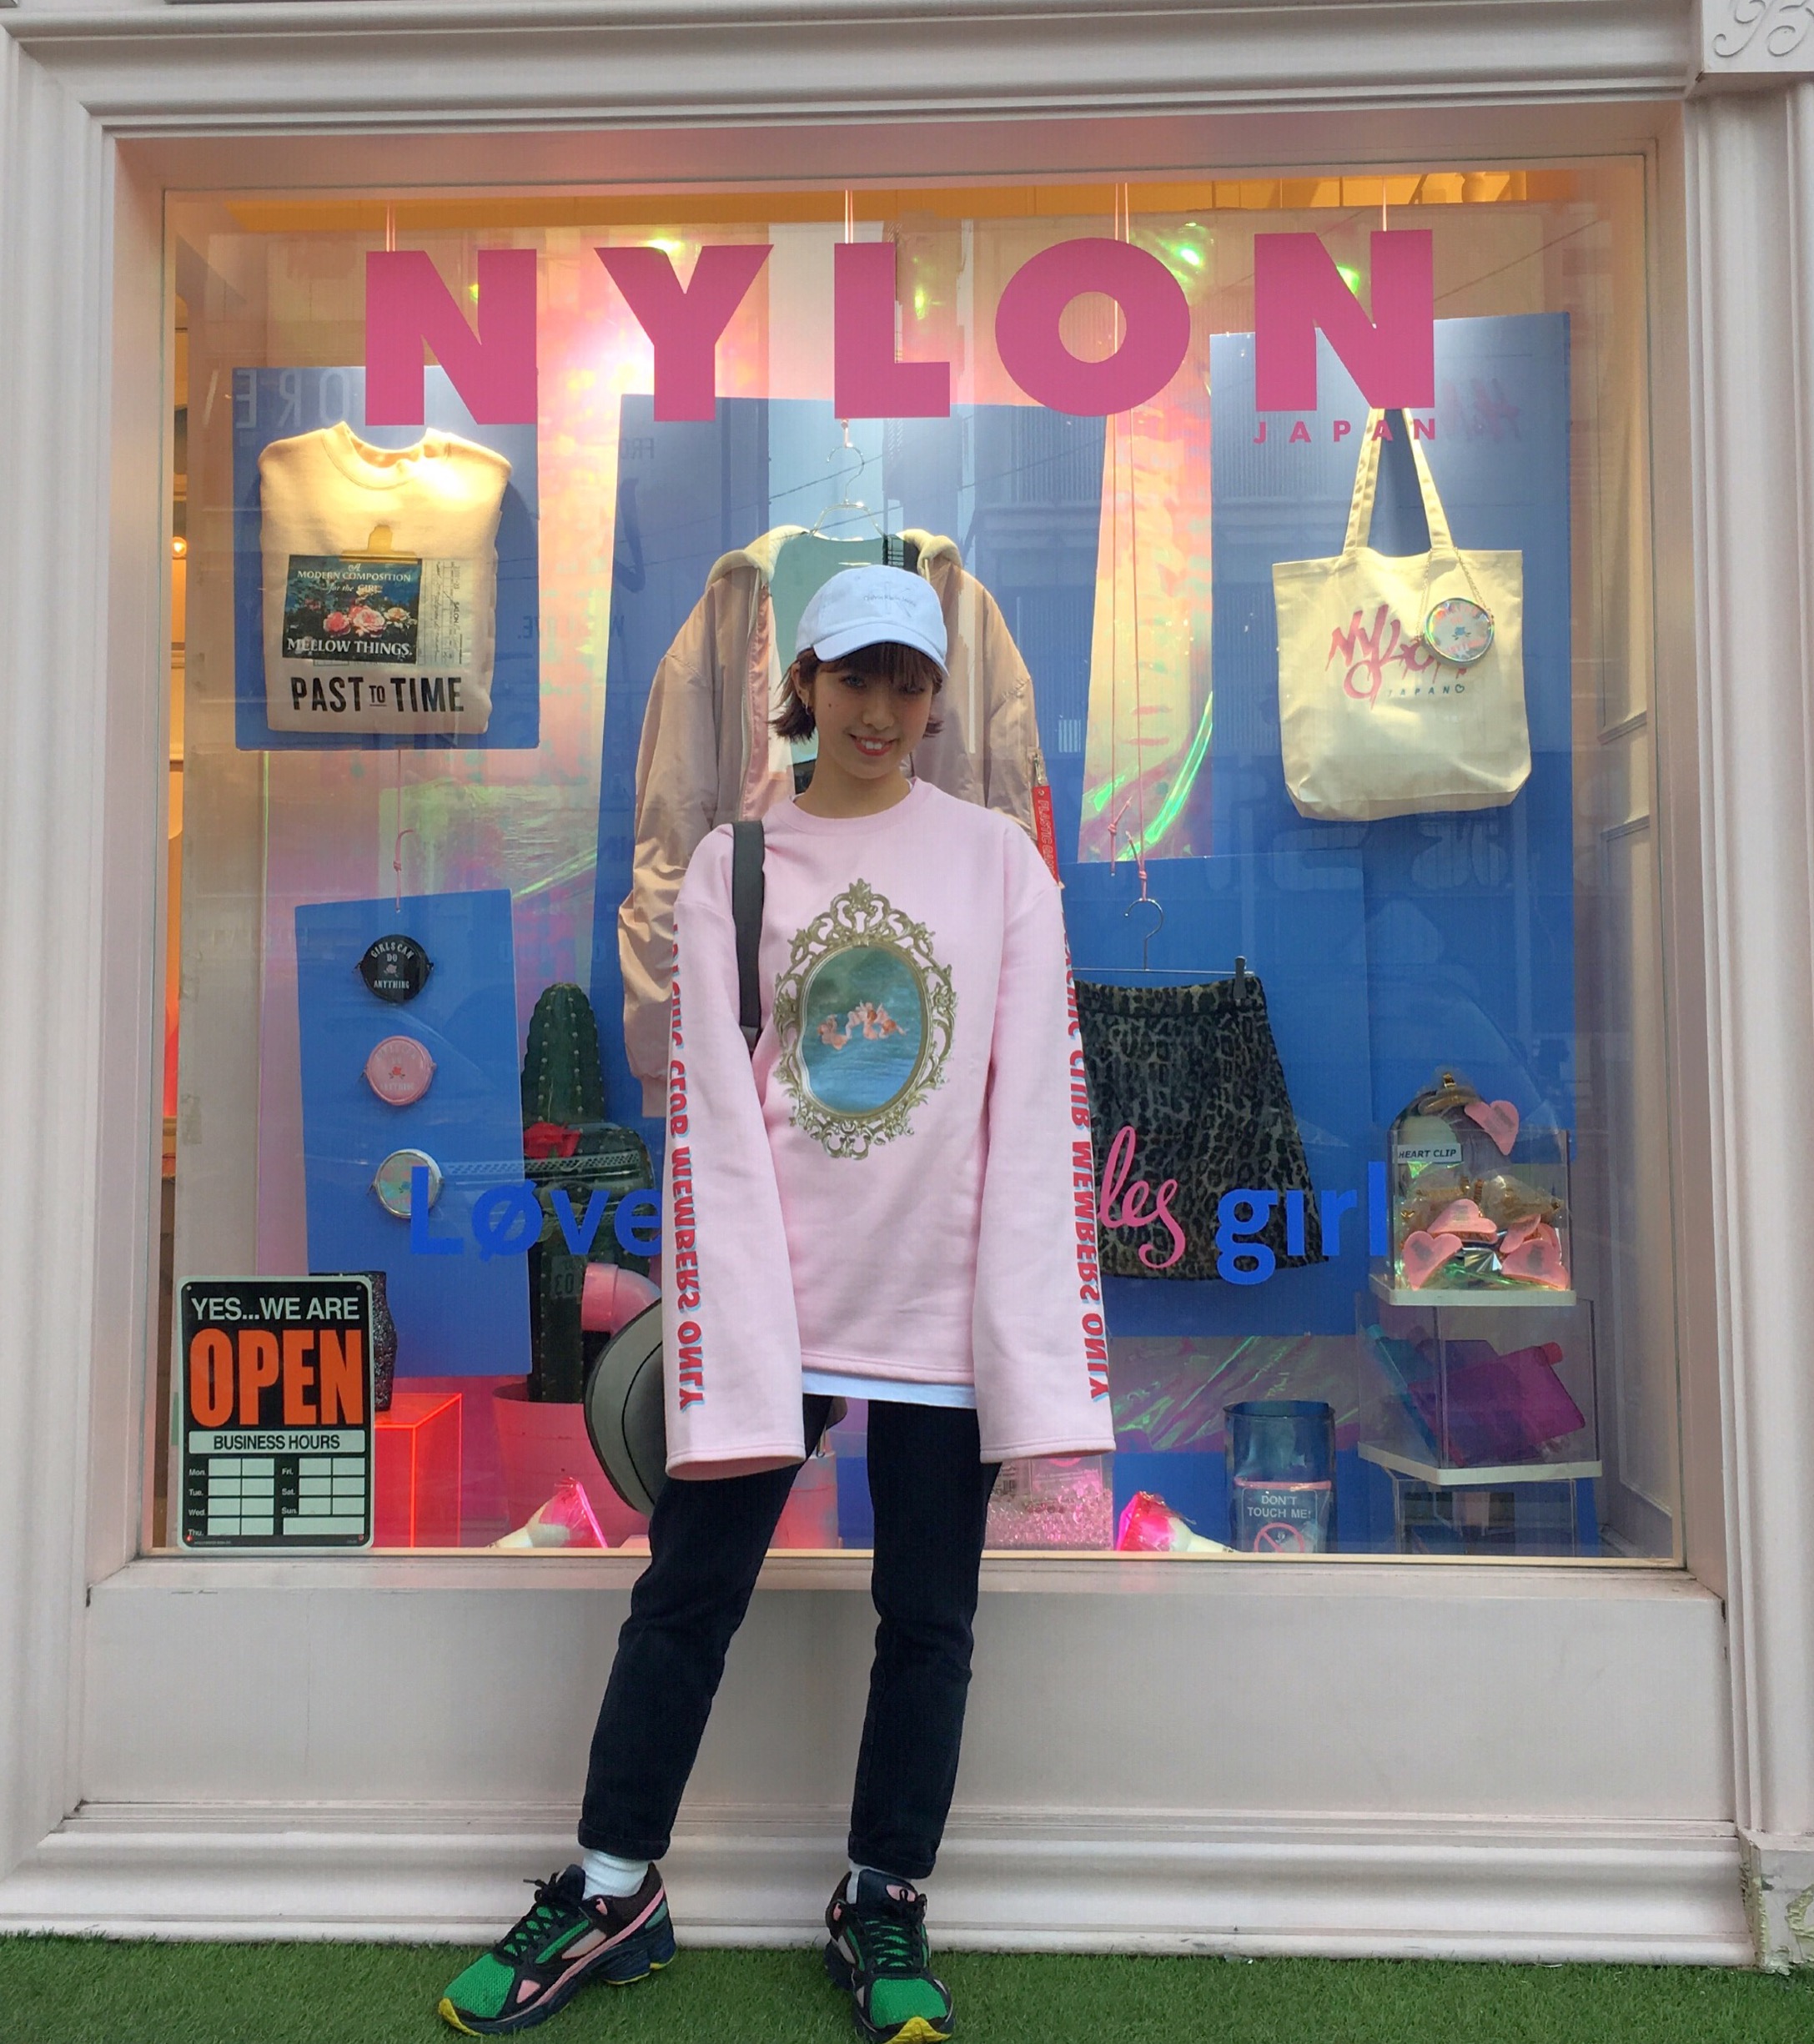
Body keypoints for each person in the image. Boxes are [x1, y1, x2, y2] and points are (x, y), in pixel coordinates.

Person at [439, 565, 1114, 2040]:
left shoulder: (1001, 865)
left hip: (941, 1309)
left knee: (928, 1619)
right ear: (802, 684)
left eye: (910, 683)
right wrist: (734, 1319)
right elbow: (712, 1126)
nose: (882, 710)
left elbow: (1031, 1103)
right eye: (856, 677)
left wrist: (1020, 1332)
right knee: (686, 1596)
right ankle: (612, 1887)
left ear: (937, 700)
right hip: (779, 1304)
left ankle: (885, 1898)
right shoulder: (734, 867)